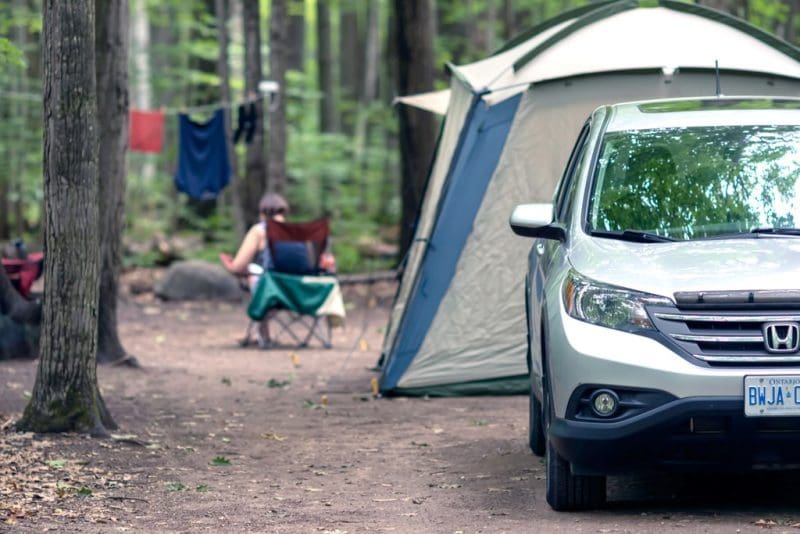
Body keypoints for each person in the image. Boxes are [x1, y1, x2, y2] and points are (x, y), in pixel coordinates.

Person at [220, 192, 289, 287]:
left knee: (252, 268)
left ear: (263, 213)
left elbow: (238, 267)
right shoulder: (294, 231)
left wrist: (228, 263)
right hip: (293, 288)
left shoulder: (259, 230)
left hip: (270, 288)